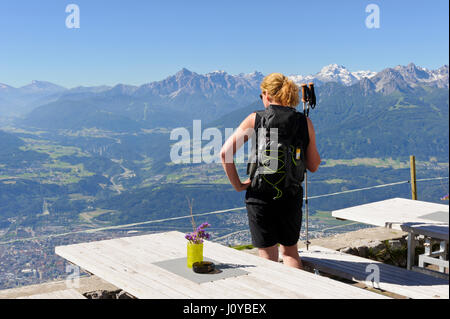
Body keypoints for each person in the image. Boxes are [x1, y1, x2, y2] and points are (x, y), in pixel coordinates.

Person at [220, 72, 320, 269]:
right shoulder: (304, 122)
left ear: (267, 94)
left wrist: (239, 185)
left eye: (261, 95)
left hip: (259, 196)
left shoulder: (255, 119)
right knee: (291, 252)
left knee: (267, 256)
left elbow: (225, 154)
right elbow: (314, 165)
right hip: (291, 195)